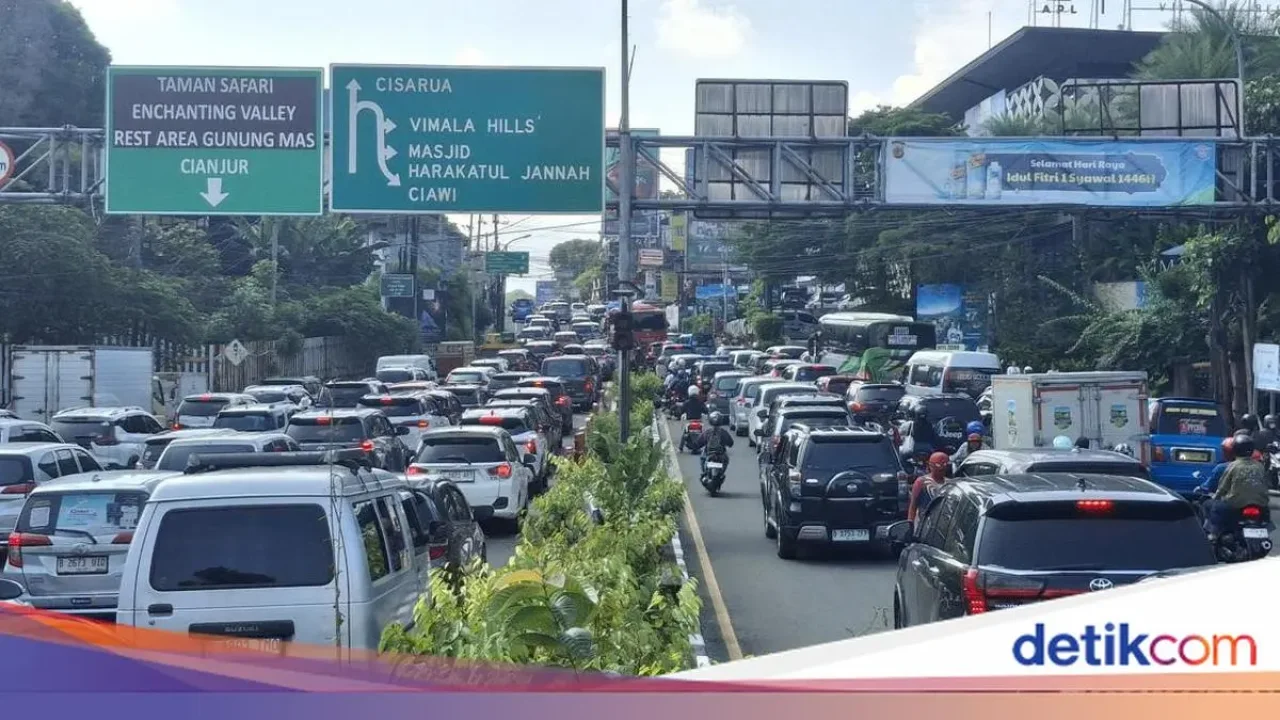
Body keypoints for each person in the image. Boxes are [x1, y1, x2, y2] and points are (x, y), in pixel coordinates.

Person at [1206, 432, 1271, 539]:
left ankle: (1214, 534)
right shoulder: (1260, 466)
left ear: (1235, 450)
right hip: (1261, 504)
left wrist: (1216, 497)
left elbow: (1223, 487)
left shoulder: (1232, 466)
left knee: (1215, 506)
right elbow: (1266, 484)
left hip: (1236, 504)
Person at [907, 452, 951, 528]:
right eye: (939, 469)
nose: (942, 471)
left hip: (943, 525)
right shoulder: (921, 482)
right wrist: (910, 523)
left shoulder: (949, 483)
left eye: (944, 469)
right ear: (931, 466)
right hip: (924, 525)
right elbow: (913, 505)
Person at [699, 411, 735, 478]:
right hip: (720, 454)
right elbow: (731, 443)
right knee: (726, 460)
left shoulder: (707, 432)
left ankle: (704, 472)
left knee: (702, 458)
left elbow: (699, 442)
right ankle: (721, 474)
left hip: (708, 454)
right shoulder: (723, 432)